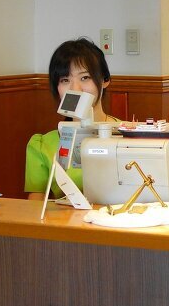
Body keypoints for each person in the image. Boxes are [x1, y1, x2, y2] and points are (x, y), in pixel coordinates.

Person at [25, 38, 118, 198]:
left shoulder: (129, 135)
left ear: (105, 80)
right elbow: (35, 206)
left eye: (85, 78)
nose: (75, 89)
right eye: (65, 80)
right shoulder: (42, 145)